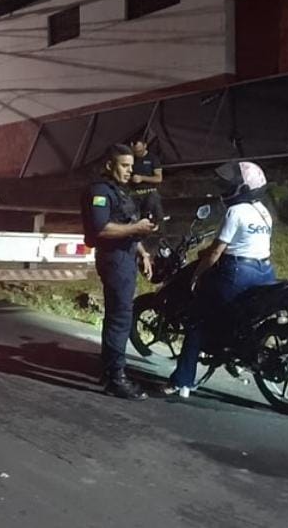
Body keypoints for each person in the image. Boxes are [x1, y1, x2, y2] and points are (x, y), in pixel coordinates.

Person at [164, 161, 276, 395]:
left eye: (230, 185)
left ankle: (182, 381)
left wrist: (197, 274)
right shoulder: (264, 211)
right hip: (265, 272)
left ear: (243, 188)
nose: (225, 188)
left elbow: (215, 252)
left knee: (197, 321)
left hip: (238, 273)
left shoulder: (235, 211)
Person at [81, 144, 157, 400]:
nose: (129, 171)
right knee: (120, 318)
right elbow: (101, 229)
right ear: (109, 166)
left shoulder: (119, 192)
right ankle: (116, 378)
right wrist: (136, 229)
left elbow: (125, 225)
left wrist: (142, 251)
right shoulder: (100, 192)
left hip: (124, 257)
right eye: (124, 166)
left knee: (117, 316)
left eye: (131, 166)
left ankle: (109, 370)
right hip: (114, 260)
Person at [129, 139, 165, 224]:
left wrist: (142, 178)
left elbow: (158, 178)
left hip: (150, 192)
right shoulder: (131, 158)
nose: (138, 153)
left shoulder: (153, 158)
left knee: (156, 217)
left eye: (140, 151)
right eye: (136, 151)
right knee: (133, 218)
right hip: (134, 193)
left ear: (145, 146)